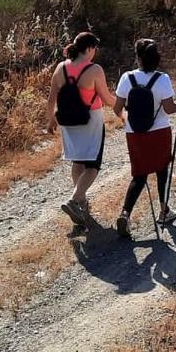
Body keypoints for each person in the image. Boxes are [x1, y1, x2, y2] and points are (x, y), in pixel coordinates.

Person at [114, 38, 176, 237]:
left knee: (139, 175)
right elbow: (169, 108)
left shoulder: (126, 78)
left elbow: (117, 108)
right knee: (161, 168)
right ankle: (164, 210)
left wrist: (125, 119)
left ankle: (125, 213)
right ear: (156, 58)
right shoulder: (162, 79)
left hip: (135, 133)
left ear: (138, 57)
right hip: (159, 131)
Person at [46, 31, 116, 227]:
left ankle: (82, 203)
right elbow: (107, 98)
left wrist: (51, 121)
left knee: (78, 161)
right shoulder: (94, 70)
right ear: (90, 48)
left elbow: (51, 98)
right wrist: (123, 106)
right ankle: (75, 199)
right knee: (93, 164)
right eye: (95, 49)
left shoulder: (61, 68)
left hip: (67, 121)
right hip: (90, 120)